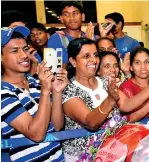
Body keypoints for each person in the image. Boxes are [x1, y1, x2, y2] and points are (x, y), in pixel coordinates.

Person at [1, 26, 68, 161]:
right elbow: (36, 134)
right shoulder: (3, 92)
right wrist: (45, 91)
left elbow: (57, 126)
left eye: (25, 49)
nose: (24, 55)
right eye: (15, 51)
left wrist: (56, 92)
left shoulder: (35, 83)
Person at [47, 1, 110, 69]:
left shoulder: (93, 38)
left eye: (75, 13)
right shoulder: (56, 39)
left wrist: (103, 37)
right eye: (66, 14)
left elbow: (103, 66)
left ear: (83, 17)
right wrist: (87, 43)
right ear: (61, 19)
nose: (71, 18)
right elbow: (56, 70)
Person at [118, 47, 149, 122]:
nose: (143, 67)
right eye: (137, 63)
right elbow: (128, 119)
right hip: (140, 131)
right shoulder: (125, 88)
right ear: (131, 67)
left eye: (147, 62)